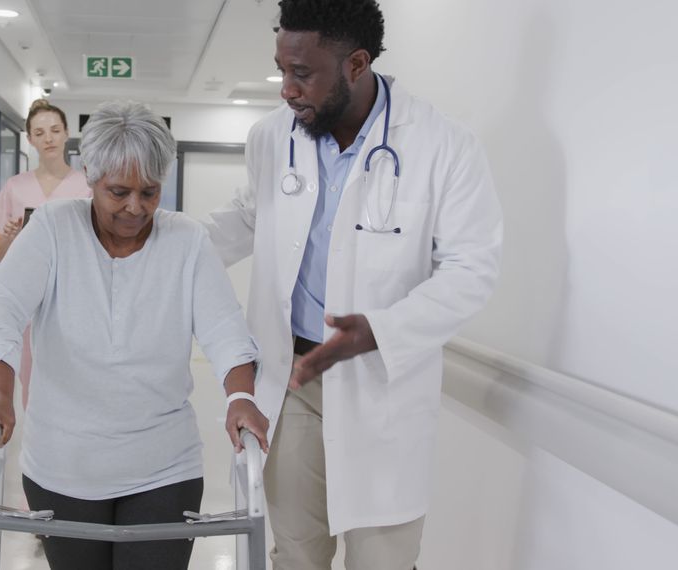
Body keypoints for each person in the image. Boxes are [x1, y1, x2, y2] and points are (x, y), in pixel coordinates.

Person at [204, 1, 503, 568]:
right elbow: (248, 218)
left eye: (302, 73)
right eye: (281, 70)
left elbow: (473, 268)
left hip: (381, 381)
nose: (286, 90)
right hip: (290, 380)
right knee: (295, 554)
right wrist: (146, 238)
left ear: (357, 64)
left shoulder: (443, 146)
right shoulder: (271, 137)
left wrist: (381, 330)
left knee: (383, 558)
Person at [0, 100, 270, 570]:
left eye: (150, 192)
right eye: (119, 192)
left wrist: (240, 399)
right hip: (62, 465)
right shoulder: (51, 229)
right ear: (90, 176)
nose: (136, 208)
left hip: (164, 465)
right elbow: (0, 318)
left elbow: (226, 332)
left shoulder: (187, 241)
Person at [0, 99, 92, 408]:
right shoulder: (16, 187)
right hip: (30, 299)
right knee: (31, 381)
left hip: (76, 297)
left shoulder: (87, 186)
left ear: (67, 133)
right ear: (29, 139)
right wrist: (12, 236)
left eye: (55, 130)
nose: (49, 138)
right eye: (40, 133)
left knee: (78, 380)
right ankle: (38, 450)